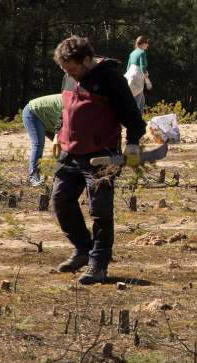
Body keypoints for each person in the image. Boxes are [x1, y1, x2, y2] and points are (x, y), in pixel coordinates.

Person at [52, 35, 146, 285]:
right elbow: (66, 109)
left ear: (85, 60)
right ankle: (83, 249)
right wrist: (57, 134)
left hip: (102, 156)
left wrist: (133, 144)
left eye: (72, 69)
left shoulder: (110, 78)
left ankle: (99, 265)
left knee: (100, 212)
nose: (69, 74)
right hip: (70, 153)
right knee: (60, 202)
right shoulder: (70, 77)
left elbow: (133, 118)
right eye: (65, 70)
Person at [22, 94, 63, 187]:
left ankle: (62, 177)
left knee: (64, 148)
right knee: (38, 144)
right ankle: (33, 177)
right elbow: (62, 124)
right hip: (33, 113)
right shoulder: (70, 104)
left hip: (48, 118)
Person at [124, 35, 152, 113]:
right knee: (137, 104)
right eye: (146, 43)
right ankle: (136, 123)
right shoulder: (142, 52)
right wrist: (147, 80)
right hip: (137, 79)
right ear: (142, 43)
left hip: (129, 78)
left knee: (141, 102)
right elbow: (142, 67)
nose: (147, 45)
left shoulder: (132, 53)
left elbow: (128, 68)